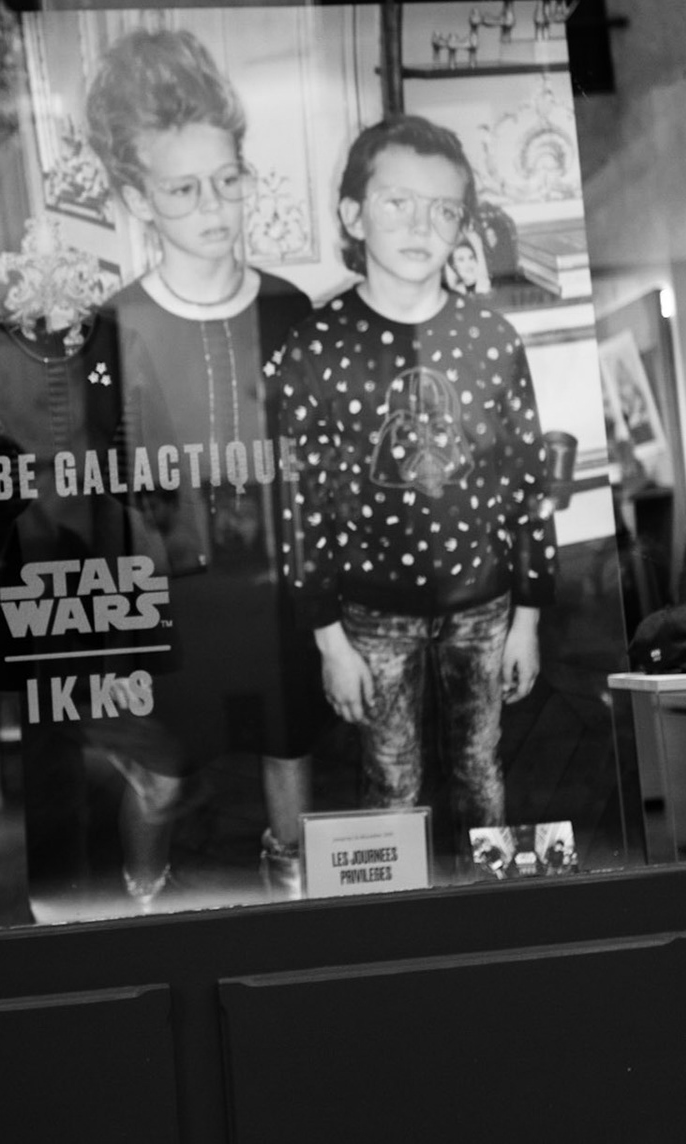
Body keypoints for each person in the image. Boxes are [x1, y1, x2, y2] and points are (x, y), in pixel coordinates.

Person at [83, 27, 328, 907]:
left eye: (230, 179)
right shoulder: (115, 327)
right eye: (184, 190)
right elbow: (99, 495)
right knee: (159, 784)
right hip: (169, 599)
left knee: (291, 758)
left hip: (279, 586)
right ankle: (141, 904)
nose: (216, 207)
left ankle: (294, 908)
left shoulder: (290, 309)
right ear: (136, 198)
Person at [271, 115, 557, 838]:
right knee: (392, 782)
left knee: (480, 767)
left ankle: (494, 921)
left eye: (444, 210)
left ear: (463, 227)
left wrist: (527, 619)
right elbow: (298, 506)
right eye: (397, 201)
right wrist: (330, 641)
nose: (419, 224)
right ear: (352, 215)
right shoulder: (314, 347)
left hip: (484, 606)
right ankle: (403, 930)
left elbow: (527, 486)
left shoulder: (493, 342)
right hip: (371, 615)